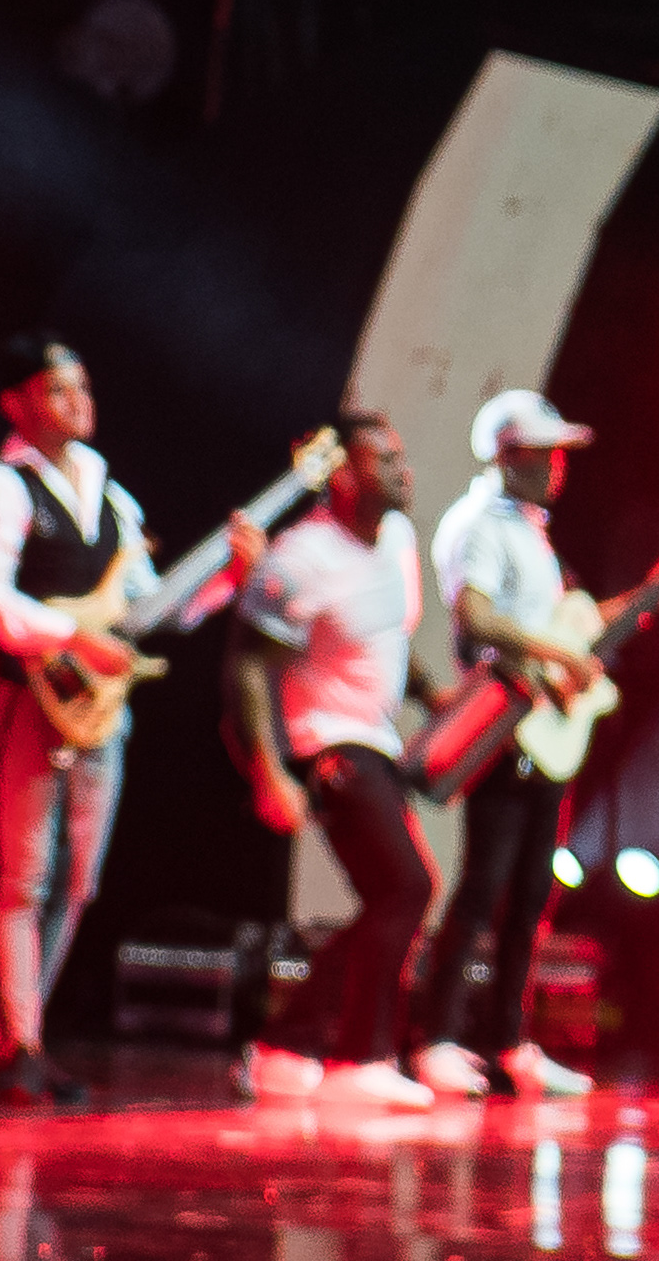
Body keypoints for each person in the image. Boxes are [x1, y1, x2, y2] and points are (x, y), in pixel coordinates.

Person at [0, 329, 263, 1106]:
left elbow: (149, 609)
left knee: (78, 879)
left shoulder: (112, 498)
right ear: (16, 404)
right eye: (57, 389)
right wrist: (69, 635)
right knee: (21, 876)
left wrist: (226, 578)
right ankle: (19, 1041)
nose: (77, 400)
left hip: (94, 709)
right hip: (26, 697)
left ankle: (16, 1032)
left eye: (82, 386)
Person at [409, 391, 659, 1100]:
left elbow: (573, 624)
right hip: (506, 721)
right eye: (547, 453)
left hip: (543, 728)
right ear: (509, 456)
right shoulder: (479, 524)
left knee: (532, 892)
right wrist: (559, 655)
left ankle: (508, 1041)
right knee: (483, 886)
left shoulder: (532, 532)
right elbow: (476, 617)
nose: (560, 466)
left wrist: (656, 587)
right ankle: (436, 1039)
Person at [228, 408, 449, 1108]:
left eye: (400, 456)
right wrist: (268, 770)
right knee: (406, 887)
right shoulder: (302, 556)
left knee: (396, 896)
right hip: (324, 741)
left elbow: (383, 637)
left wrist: (431, 695)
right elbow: (247, 666)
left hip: (377, 739)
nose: (402, 471)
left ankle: (286, 1046)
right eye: (384, 459)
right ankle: (358, 1057)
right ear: (345, 475)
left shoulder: (397, 540)